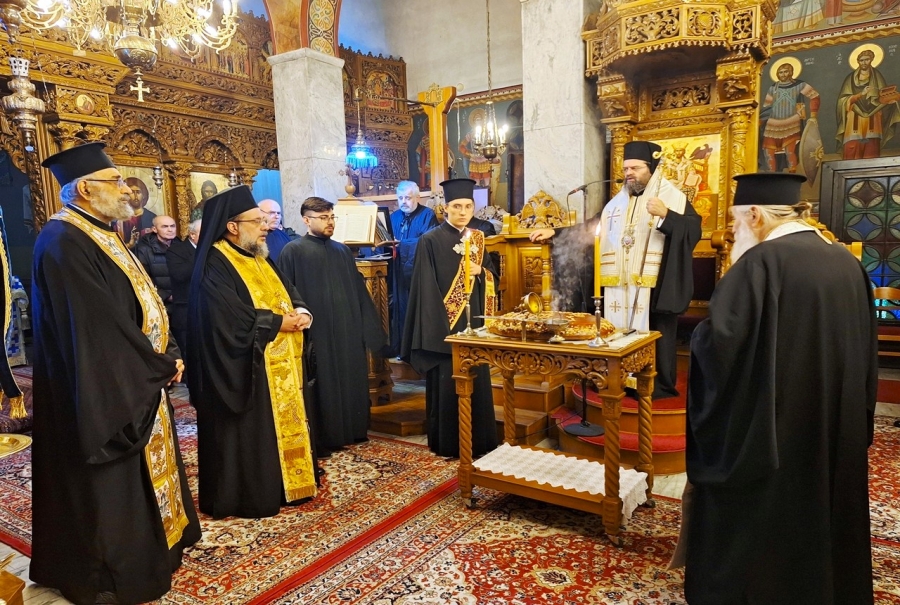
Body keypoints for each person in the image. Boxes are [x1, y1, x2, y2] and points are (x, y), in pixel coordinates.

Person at [680, 172, 876, 604]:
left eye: (734, 223)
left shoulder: (760, 263)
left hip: (774, 436)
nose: (733, 234)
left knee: (770, 521)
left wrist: (698, 339)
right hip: (831, 425)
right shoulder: (846, 261)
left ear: (755, 214)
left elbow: (721, 349)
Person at [31, 142, 200, 605]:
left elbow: (140, 302)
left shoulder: (100, 232)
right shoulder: (64, 241)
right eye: (117, 181)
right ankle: (115, 571)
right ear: (86, 189)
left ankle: (160, 544)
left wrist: (168, 352)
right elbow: (97, 328)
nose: (127, 190)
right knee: (111, 483)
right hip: (102, 386)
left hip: (139, 372)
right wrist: (158, 364)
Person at [530, 141, 701, 399]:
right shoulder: (614, 205)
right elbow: (591, 229)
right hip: (617, 285)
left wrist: (667, 215)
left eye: (635, 168)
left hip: (654, 284)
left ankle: (653, 384)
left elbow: (693, 231)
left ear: (651, 168)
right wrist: (554, 232)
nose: (629, 173)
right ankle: (615, 378)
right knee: (613, 328)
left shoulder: (672, 197)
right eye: (626, 168)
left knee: (657, 331)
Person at [187, 185, 318, 519]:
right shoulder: (215, 262)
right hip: (247, 365)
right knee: (255, 431)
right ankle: (257, 493)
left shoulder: (258, 254)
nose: (266, 226)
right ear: (232, 226)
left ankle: (289, 484)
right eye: (257, 221)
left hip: (280, 360)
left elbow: (287, 289)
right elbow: (226, 318)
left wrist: (302, 311)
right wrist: (277, 323)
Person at [277, 197, 387, 456]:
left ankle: (353, 430)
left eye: (331, 217)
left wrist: (369, 329)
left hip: (347, 329)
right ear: (306, 220)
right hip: (318, 333)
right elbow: (286, 294)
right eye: (323, 217)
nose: (330, 222)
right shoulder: (293, 251)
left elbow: (358, 293)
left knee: (350, 377)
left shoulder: (342, 251)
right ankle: (328, 436)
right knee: (323, 383)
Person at [402, 178, 499, 458]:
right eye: (457, 206)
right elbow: (424, 286)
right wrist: (438, 328)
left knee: (477, 379)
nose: (463, 211)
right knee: (447, 384)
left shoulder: (478, 238)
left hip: (474, 324)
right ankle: (448, 443)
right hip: (444, 327)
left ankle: (480, 441)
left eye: (468, 206)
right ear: (445, 208)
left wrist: (481, 272)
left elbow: (493, 277)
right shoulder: (429, 240)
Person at [387, 180, 439, 356]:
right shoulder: (394, 217)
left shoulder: (427, 215)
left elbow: (428, 241)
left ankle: (416, 352)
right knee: (399, 309)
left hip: (418, 272)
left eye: (408, 198)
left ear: (417, 197)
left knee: (416, 310)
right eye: (400, 198)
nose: (404, 202)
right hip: (397, 273)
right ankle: (400, 349)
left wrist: (402, 244)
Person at [836, 47, 900, 160]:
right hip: (854, 116)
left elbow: (882, 97)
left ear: (871, 60)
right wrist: (861, 94)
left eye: (867, 59)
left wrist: (889, 102)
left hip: (873, 116)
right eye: (861, 60)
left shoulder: (877, 76)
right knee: (853, 147)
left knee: (871, 147)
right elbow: (842, 100)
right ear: (858, 61)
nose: (864, 62)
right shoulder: (850, 79)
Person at [759, 61, 820, 172]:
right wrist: (760, 121)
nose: (783, 74)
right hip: (773, 124)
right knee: (768, 153)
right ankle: (772, 177)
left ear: (791, 72)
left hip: (791, 122)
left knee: (790, 152)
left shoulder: (799, 85)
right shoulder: (773, 87)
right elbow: (767, 107)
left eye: (785, 71)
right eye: (780, 72)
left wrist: (813, 115)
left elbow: (815, 96)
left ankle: (792, 176)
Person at [166, 219, 200, 368]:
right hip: (186, 311)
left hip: (209, 309)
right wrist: (201, 254)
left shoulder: (215, 250)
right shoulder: (176, 250)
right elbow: (179, 275)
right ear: (192, 235)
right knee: (189, 354)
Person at [135, 215, 177, 308]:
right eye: (165, 226)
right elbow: (143, 279)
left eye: (172, 226)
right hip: (158, 304)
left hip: (182, 303)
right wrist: (166, 296)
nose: (170, 230)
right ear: (154, 229)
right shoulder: (144, 250)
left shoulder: (181, 246)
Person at [115, 176, 155, 248]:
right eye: (132, 192)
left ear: (144, 195)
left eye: (138, 192)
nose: (136, 196)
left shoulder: (152, 218)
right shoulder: (118, 219)